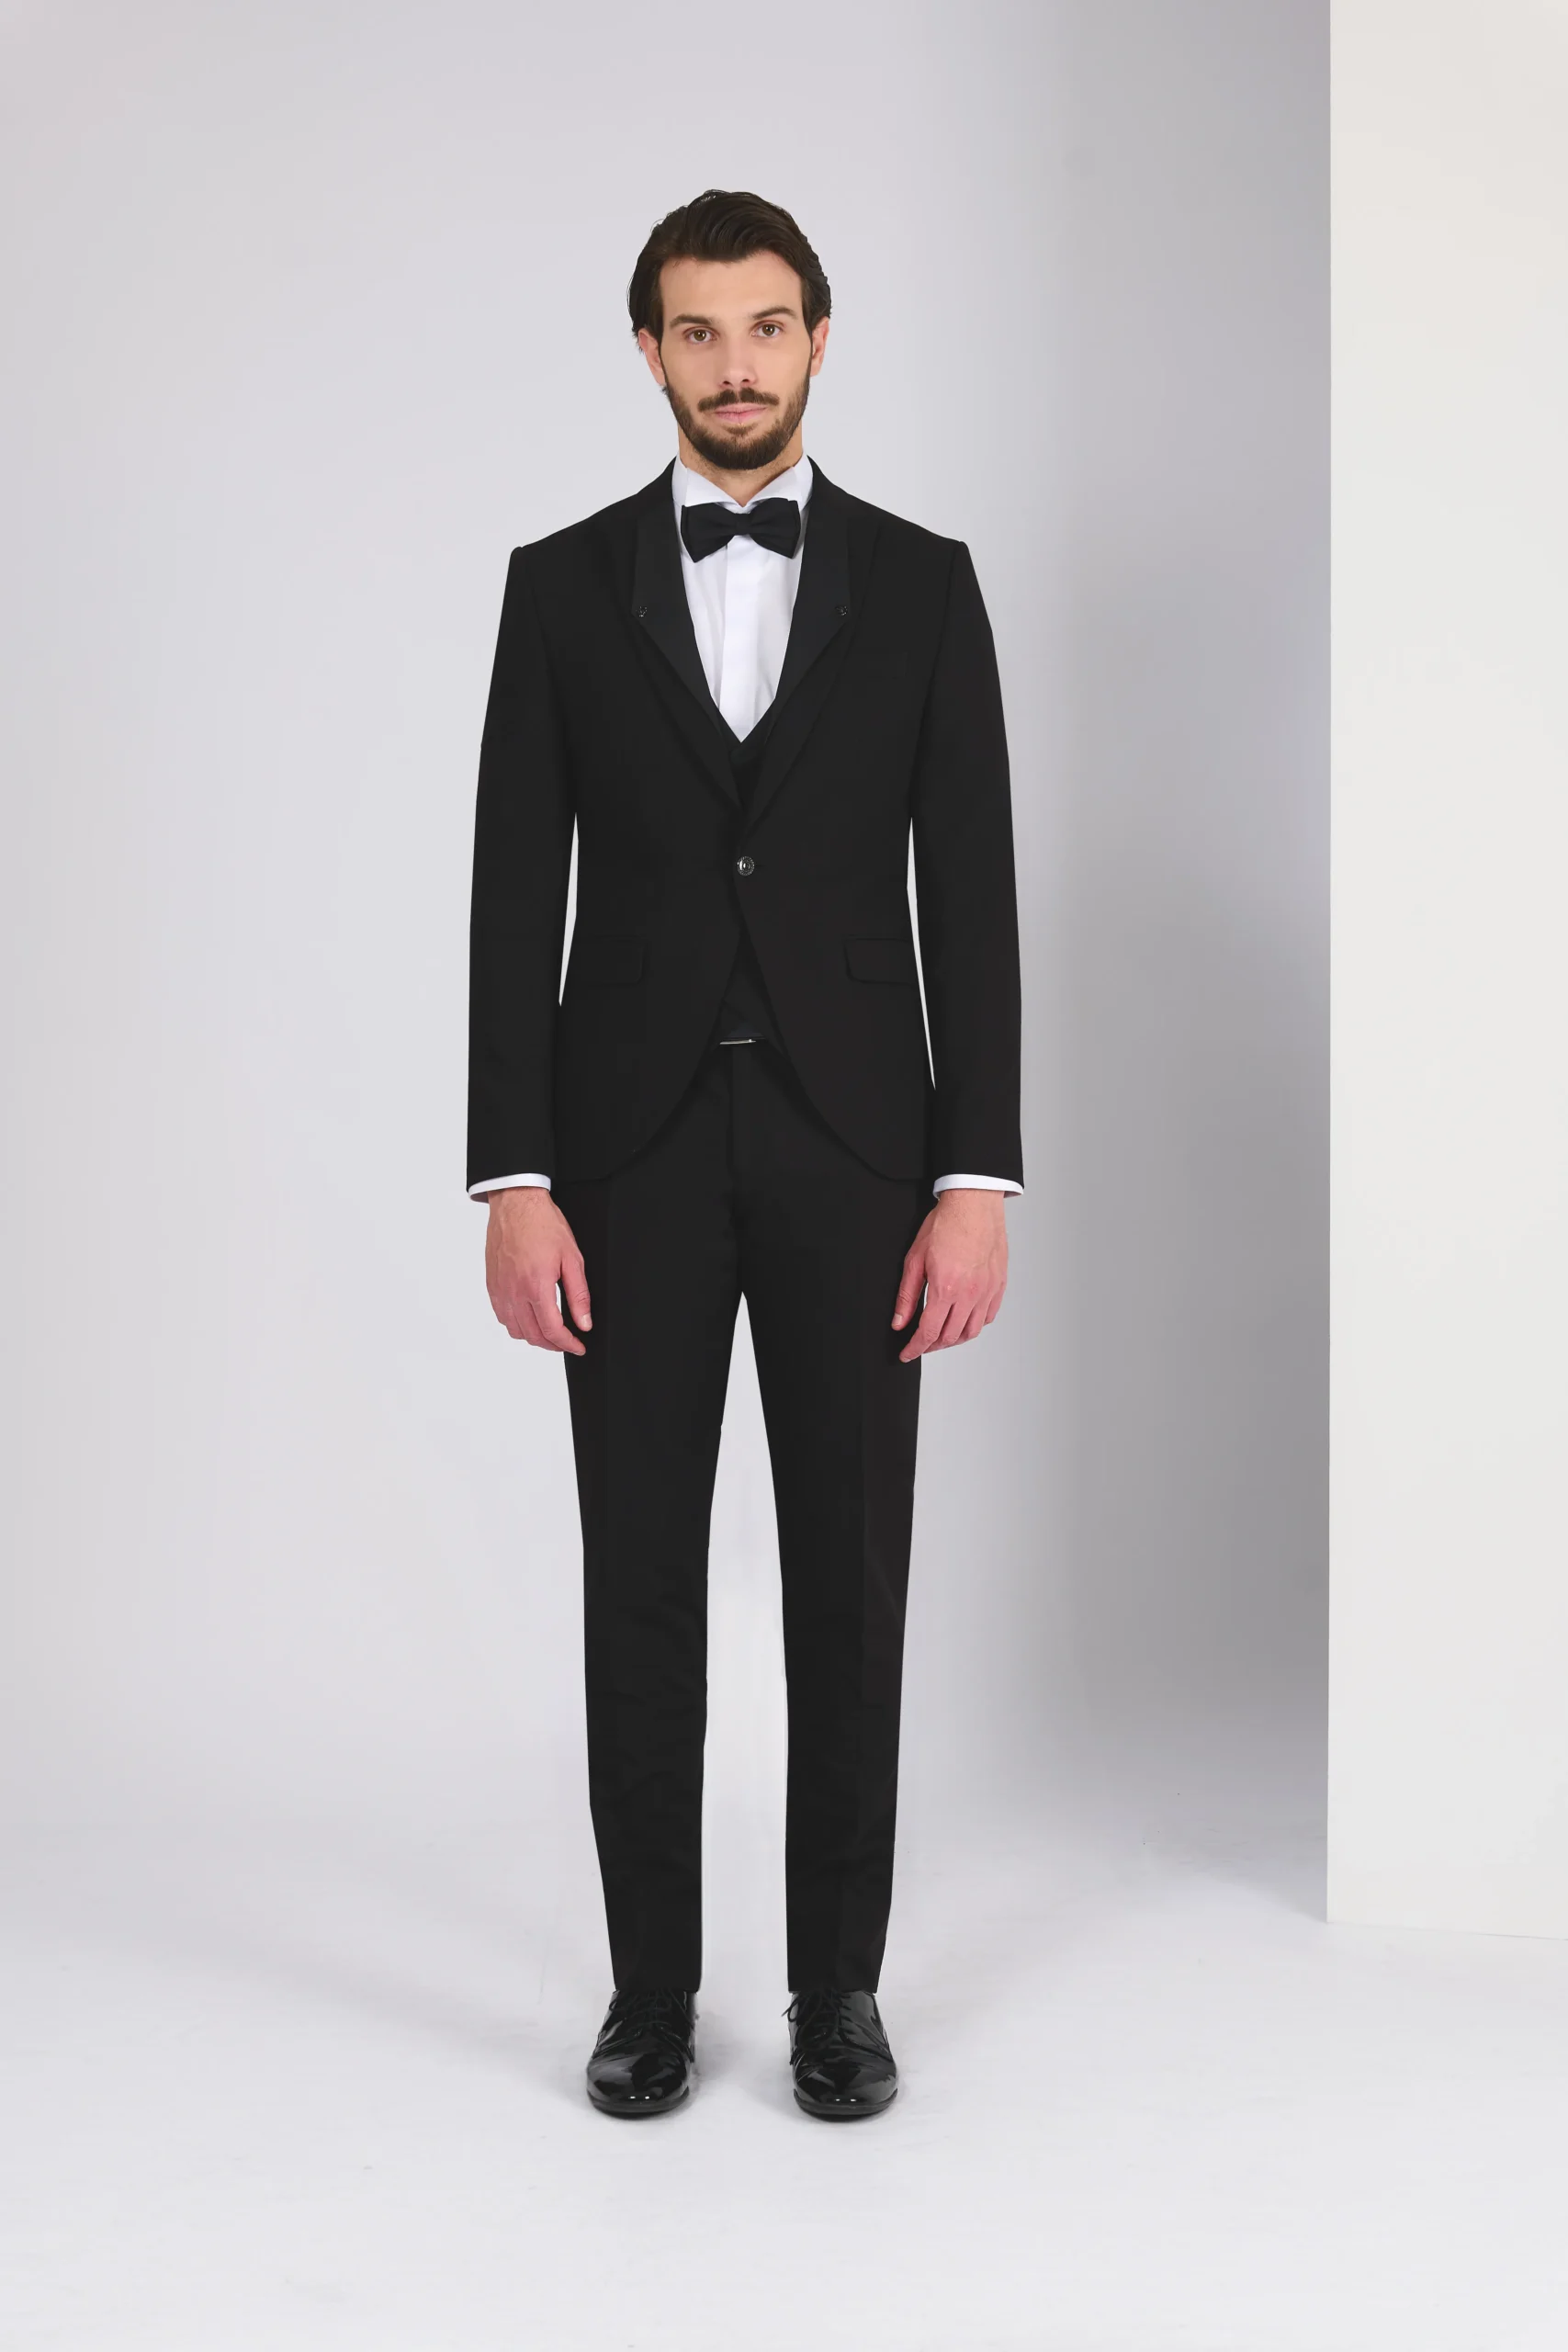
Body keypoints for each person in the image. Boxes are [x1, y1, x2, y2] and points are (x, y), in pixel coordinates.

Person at [467, 188, 1023, 2120]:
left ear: (817, 338)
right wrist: (512, 1175)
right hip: (618, 1151)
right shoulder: (558, 587)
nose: (733, 365)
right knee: (638, 1575)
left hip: (857, 1147)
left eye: (765, 326)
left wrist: (975, 1177)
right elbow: (507, 897)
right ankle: (647, 1994)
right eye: (696, 331)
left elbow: (971, 896)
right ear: (648, 350)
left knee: (847, 1580)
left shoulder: (925, 584)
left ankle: (836, 1993)